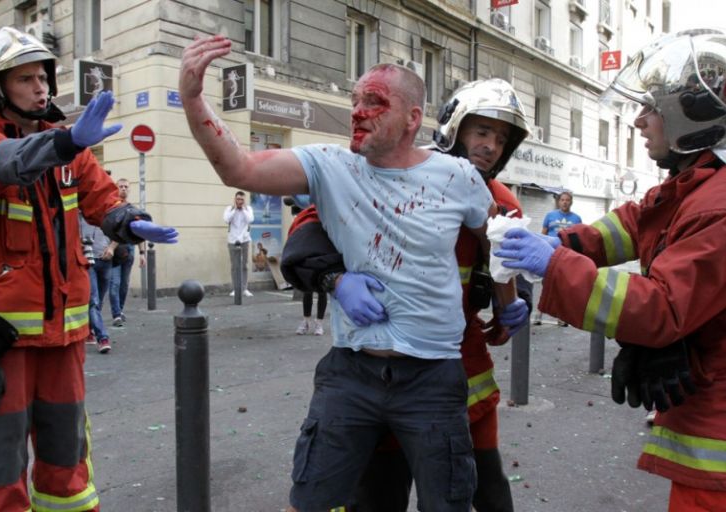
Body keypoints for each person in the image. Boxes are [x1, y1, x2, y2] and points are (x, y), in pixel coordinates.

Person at [180, 35, 527, 512]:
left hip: (434, 378)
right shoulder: (330, 167)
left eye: (375, 102)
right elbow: (239, 169)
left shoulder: (460, 179)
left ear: (412, 118)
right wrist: (193, 98)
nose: (358, 111)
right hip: (353, 372)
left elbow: (499, 239)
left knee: (451, 503)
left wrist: (508, 303)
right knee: (317, 500)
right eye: (356, 100)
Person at [494, 29, 726, 509]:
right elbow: (636, 222)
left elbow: (661, 308)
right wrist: (562, 241)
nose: (639, 120)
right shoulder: (704, 178)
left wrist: (554, 264)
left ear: (692, 115)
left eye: (651, 107)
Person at [0, 26, 177, 510]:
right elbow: (5, 163)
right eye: (25, 79)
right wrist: (66, 143)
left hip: (67, 329)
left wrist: (130, 223)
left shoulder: (67, 145)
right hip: (0, 331)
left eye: (43, 77)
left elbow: (103, 200)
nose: (40, 88)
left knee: (67, 454)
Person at [348, 78, 532, 511]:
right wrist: (334, 278)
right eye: (482, 132)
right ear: (455, 127)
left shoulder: (501, 204)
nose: (490, 146)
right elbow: (314, 228)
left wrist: (517, 301)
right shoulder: (392, 172)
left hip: (463, 359)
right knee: (379, 494)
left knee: (481, 489)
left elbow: (515, 265)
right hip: (384, 354)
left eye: (500, 139)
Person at [535, 191, 582, 326]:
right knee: (546, 284)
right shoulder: (550, 216)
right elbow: (542, 236)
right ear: (558, 201)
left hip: (567, 257)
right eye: (562, 200)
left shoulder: (577, 219)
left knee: (562, 286)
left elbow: (579, 239)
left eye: (567, 200)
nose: (565, 202)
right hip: (550, 255)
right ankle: (539, 314)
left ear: (571, 202)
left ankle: (561, 317)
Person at [286, 195, 329, 336]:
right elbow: (292, 198)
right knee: (307, 289)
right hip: (307, 246)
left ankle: (319, 323)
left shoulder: (325, 200)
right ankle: (305, 321)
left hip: (322, 247)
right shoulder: (307, 198)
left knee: (322, 289)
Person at [109, 178, 145, 326]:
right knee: (114, 284)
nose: (123, 189)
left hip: (129, 249)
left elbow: (140, 232)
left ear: (129, 190)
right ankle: (116, 314)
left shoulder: (133, 209)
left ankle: (120, 310)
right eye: (120, 186)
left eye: (126, 187)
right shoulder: (111, 207)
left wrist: (142, 253)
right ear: (116, 188)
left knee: (124, 284)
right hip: (114, 251)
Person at [80, 214, 113, 353]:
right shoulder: (77, 215)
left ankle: (89, 329)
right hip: (88, 261)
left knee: (98, 302)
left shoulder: (104, 212)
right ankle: (103, 338)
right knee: (93, 300)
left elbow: (118, 234)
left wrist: (112, 247)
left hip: (105, 260)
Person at [223, 190, 254, 297]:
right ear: (235, 199)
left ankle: (244, 288)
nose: (240, 201)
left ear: (244, 200)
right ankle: (236, 289)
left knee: (244, 265)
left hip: (244, 239)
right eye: (238, 199)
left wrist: (244, 209)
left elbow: (250, 220)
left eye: (242, 199)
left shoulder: (248, 209)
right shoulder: (229, 209)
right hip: (232, 240)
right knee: (234, 266)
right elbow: (226, 220)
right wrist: (235, 209)